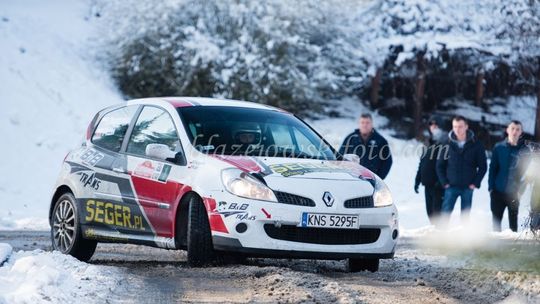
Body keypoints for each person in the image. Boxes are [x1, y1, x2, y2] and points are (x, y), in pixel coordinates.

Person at [436, 115, 487, 225]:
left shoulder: (476, 144)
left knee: (465, 217)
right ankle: (440, 238)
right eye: (455, 126)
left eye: (460, 126)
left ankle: (463, 240)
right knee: (445, 215)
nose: (457, 129)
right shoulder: (446, 143)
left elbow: (483, 167)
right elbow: (439, 165)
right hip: (450, 186)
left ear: (466, 127)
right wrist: (444, 183)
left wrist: (475, 183)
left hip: (468, 187)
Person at [488, 121, 529, 232]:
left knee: (513, 227)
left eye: (517, 129)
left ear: (521, 132)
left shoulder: (525, 151)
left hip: (514, 194)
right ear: (507, 130)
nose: (514, 131)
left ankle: (513, 249)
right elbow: (492, 169)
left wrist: (520, 191)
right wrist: (491, 188)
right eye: (512, 128)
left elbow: (527, 174)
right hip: (497, 192)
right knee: (496, 226)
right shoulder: (499, 147)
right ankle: (495, 248)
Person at [339, 113, 393, 179]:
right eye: (362, 122)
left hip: (371, 180)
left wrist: (378, 178)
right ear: (359, 124)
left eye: (367, 123)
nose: (365, 125)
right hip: (352, 178)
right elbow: (340, 157)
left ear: (372, 124)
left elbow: (387, 162)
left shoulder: (380, 141)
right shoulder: (351, 138)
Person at [414, 116, 446, 224]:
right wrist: (417, 180)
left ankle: (441, 239)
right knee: (430, 214)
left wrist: (441, 181)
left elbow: (448, 164)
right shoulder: (427, 142)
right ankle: (434, 238)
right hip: (427, 184)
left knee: (438, 215)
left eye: (436, 125)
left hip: (439, 185)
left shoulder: (445, 142)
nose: (434, 127)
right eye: (431, 125)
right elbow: (422, 162)